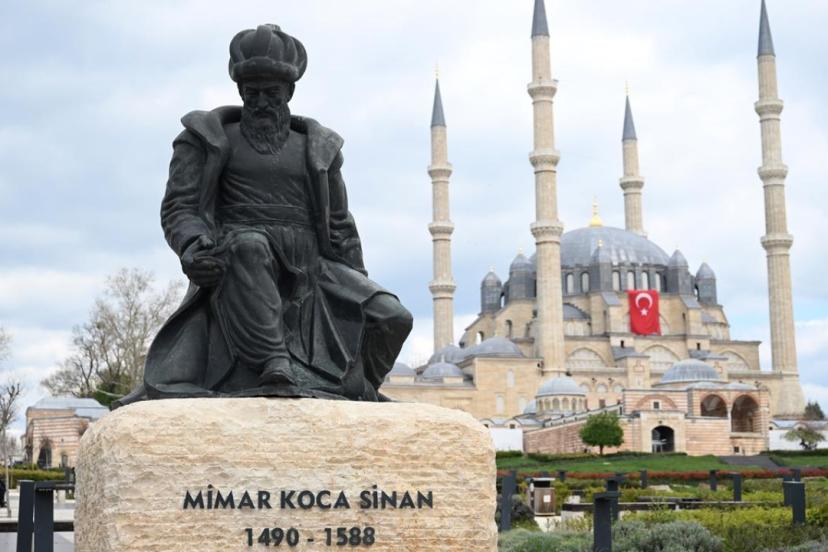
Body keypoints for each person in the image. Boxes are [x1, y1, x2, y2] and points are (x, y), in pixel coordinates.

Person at [118, 24, 411, 406]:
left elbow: (340, 225)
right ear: (240, 91)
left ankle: (359, 386)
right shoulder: (205, 138)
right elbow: (180, 207)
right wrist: (193, 247)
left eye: (271, 93)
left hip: (312, 265)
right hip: (241, 258)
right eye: (251, 93)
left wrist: (357, 283)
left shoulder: (319, 148)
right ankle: (275, 364)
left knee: (393, 316)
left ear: (289, 93)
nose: (261, 103)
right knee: (249, 246)